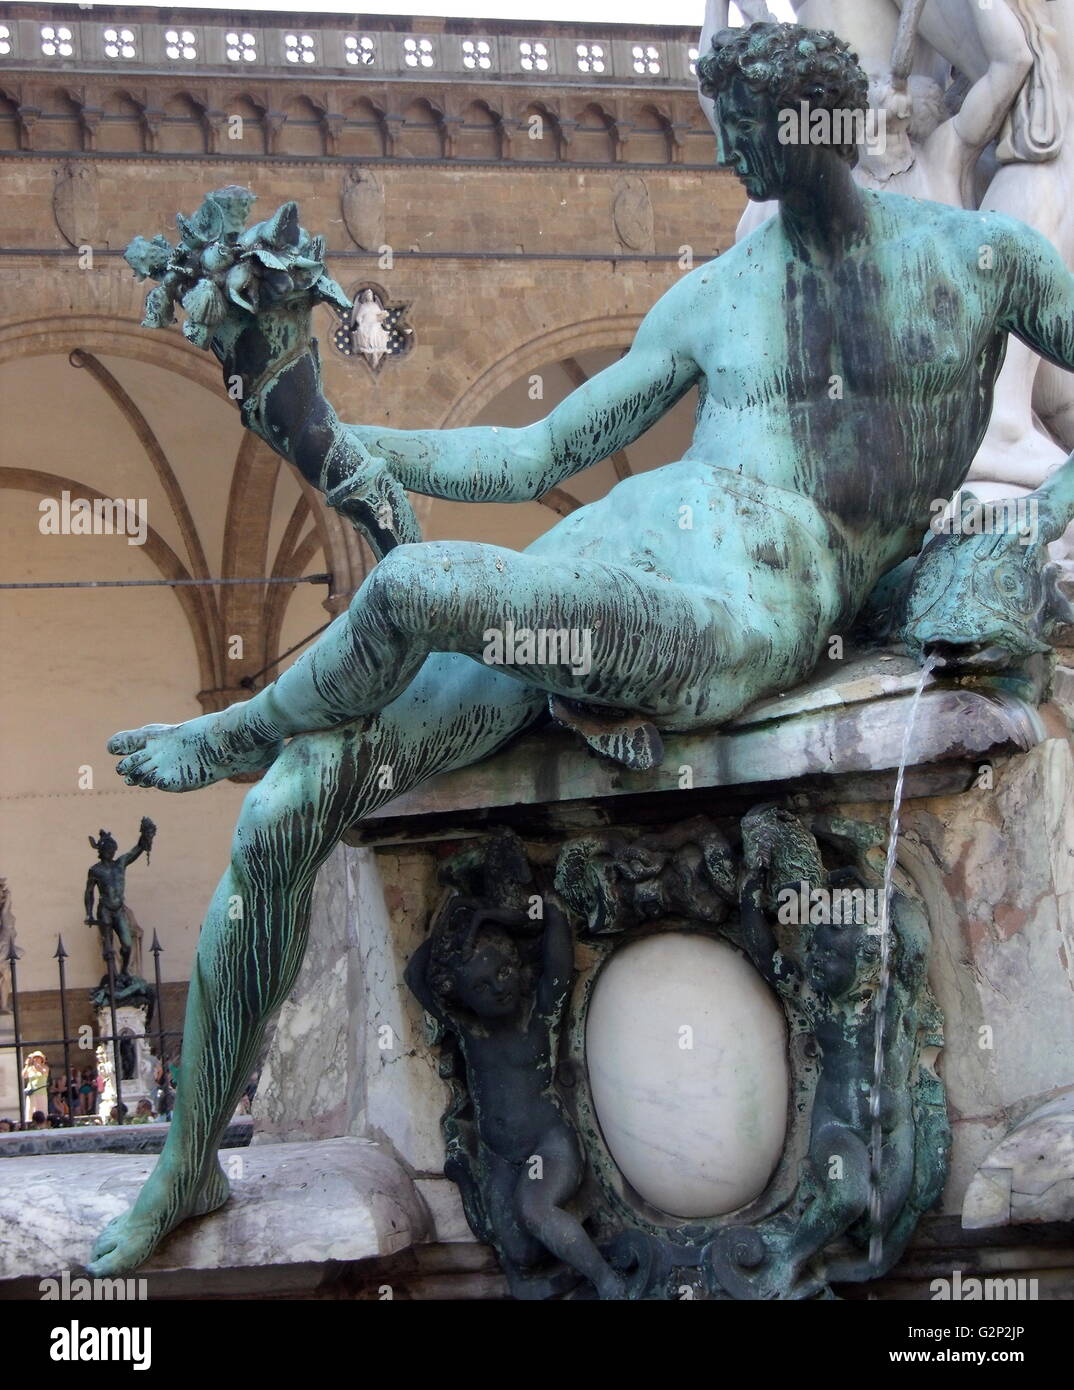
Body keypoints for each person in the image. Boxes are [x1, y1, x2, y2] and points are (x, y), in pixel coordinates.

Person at [91, 21, 1074, 1275]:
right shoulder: (717, 293)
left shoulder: (982, 260)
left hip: (731, 613)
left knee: (418, 586)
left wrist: (1027, 524)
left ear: (794, 127)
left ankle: (234, 725)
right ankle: (183, 1167)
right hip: (603, 566)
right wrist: (323, 427)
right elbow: (532, 458)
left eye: (736, 136)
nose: (725, 159)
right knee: (293, 801)